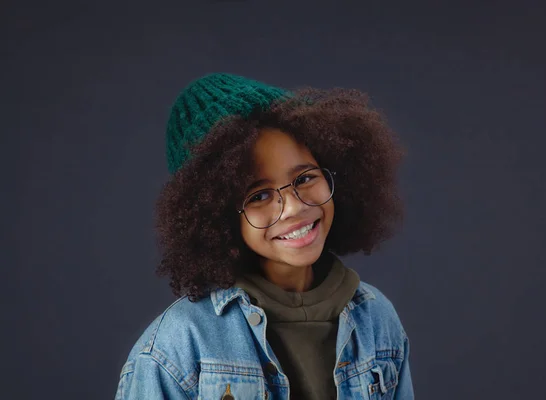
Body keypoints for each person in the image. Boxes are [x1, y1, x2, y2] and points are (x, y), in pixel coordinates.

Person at [115, 73, 414, 399]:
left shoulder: (377, 321)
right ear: (218, 218)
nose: (293, 208)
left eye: (304, 177)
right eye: (258, 196)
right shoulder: (178, 347)